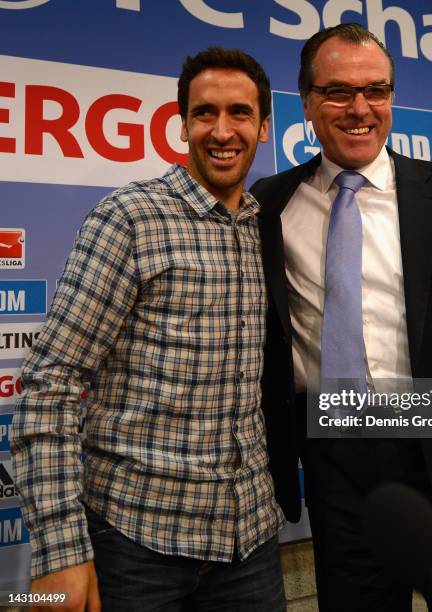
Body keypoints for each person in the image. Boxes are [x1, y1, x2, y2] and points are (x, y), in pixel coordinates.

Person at [251, 24, 432, 612]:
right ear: (307, 103)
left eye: (377, 90)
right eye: (338, 92)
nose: (360, 109)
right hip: (338, 464)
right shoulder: (270, 203)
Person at [12, 47, 287, 612]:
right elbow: (50, 384)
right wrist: (62, 554)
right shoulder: (129, 218)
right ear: (182, 123)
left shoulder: (268, 229)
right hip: (137, 544)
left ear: (263, 128)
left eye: (239, 113)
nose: (221, 130)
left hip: (251, 539)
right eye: (204, 113)